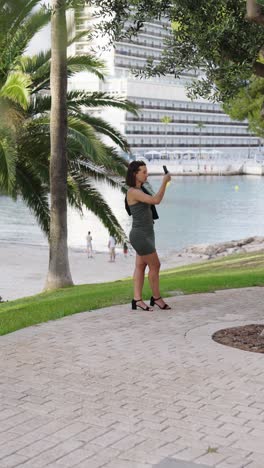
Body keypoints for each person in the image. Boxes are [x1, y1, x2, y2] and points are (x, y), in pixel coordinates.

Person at [126, 160, 171, 311]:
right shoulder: (134, 192)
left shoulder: (141, 189)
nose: (147, 174)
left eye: (147, 171)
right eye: (143, 172)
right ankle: (156, 298)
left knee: (140, 266)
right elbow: (156, 200)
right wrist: (164, 182)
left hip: (147, 233)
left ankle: (137, 299)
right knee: (155, 265)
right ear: (135, 174)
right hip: (140, 236)